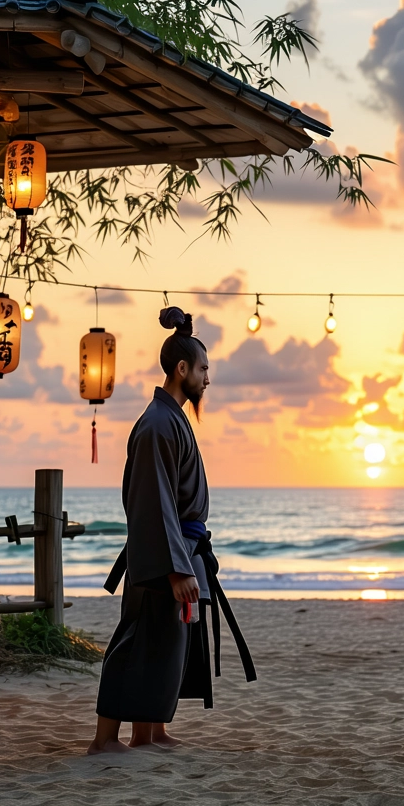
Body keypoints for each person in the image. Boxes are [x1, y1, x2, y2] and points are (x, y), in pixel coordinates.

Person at [87, 307, 255, 756]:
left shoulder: (170, 419)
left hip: (179, 547)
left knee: (166, 642)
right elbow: (152, 502)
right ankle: (105, 740)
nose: (206, 379)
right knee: (137, 641)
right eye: (202, 369)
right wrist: (176, 567)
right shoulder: (158, 424)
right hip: (161, 552)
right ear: (181, 369)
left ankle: (148, 733)